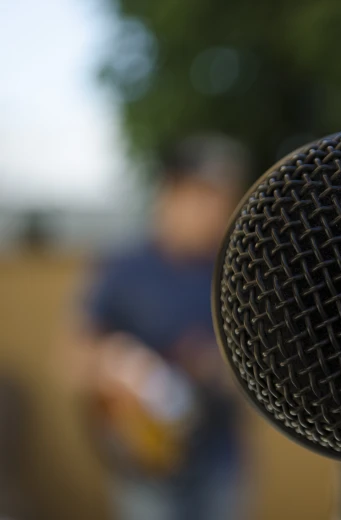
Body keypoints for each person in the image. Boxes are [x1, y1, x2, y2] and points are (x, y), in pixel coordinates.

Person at [65, 134, 249, 520]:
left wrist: (218, 368)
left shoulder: (238, 274)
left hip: (219, 464)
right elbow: (73, 357)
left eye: (224, 196)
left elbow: (263, 372)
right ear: (170, 192)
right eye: (204, 194)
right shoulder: (123, 267)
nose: (217, 209)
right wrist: (118, 366)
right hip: (142, 468)